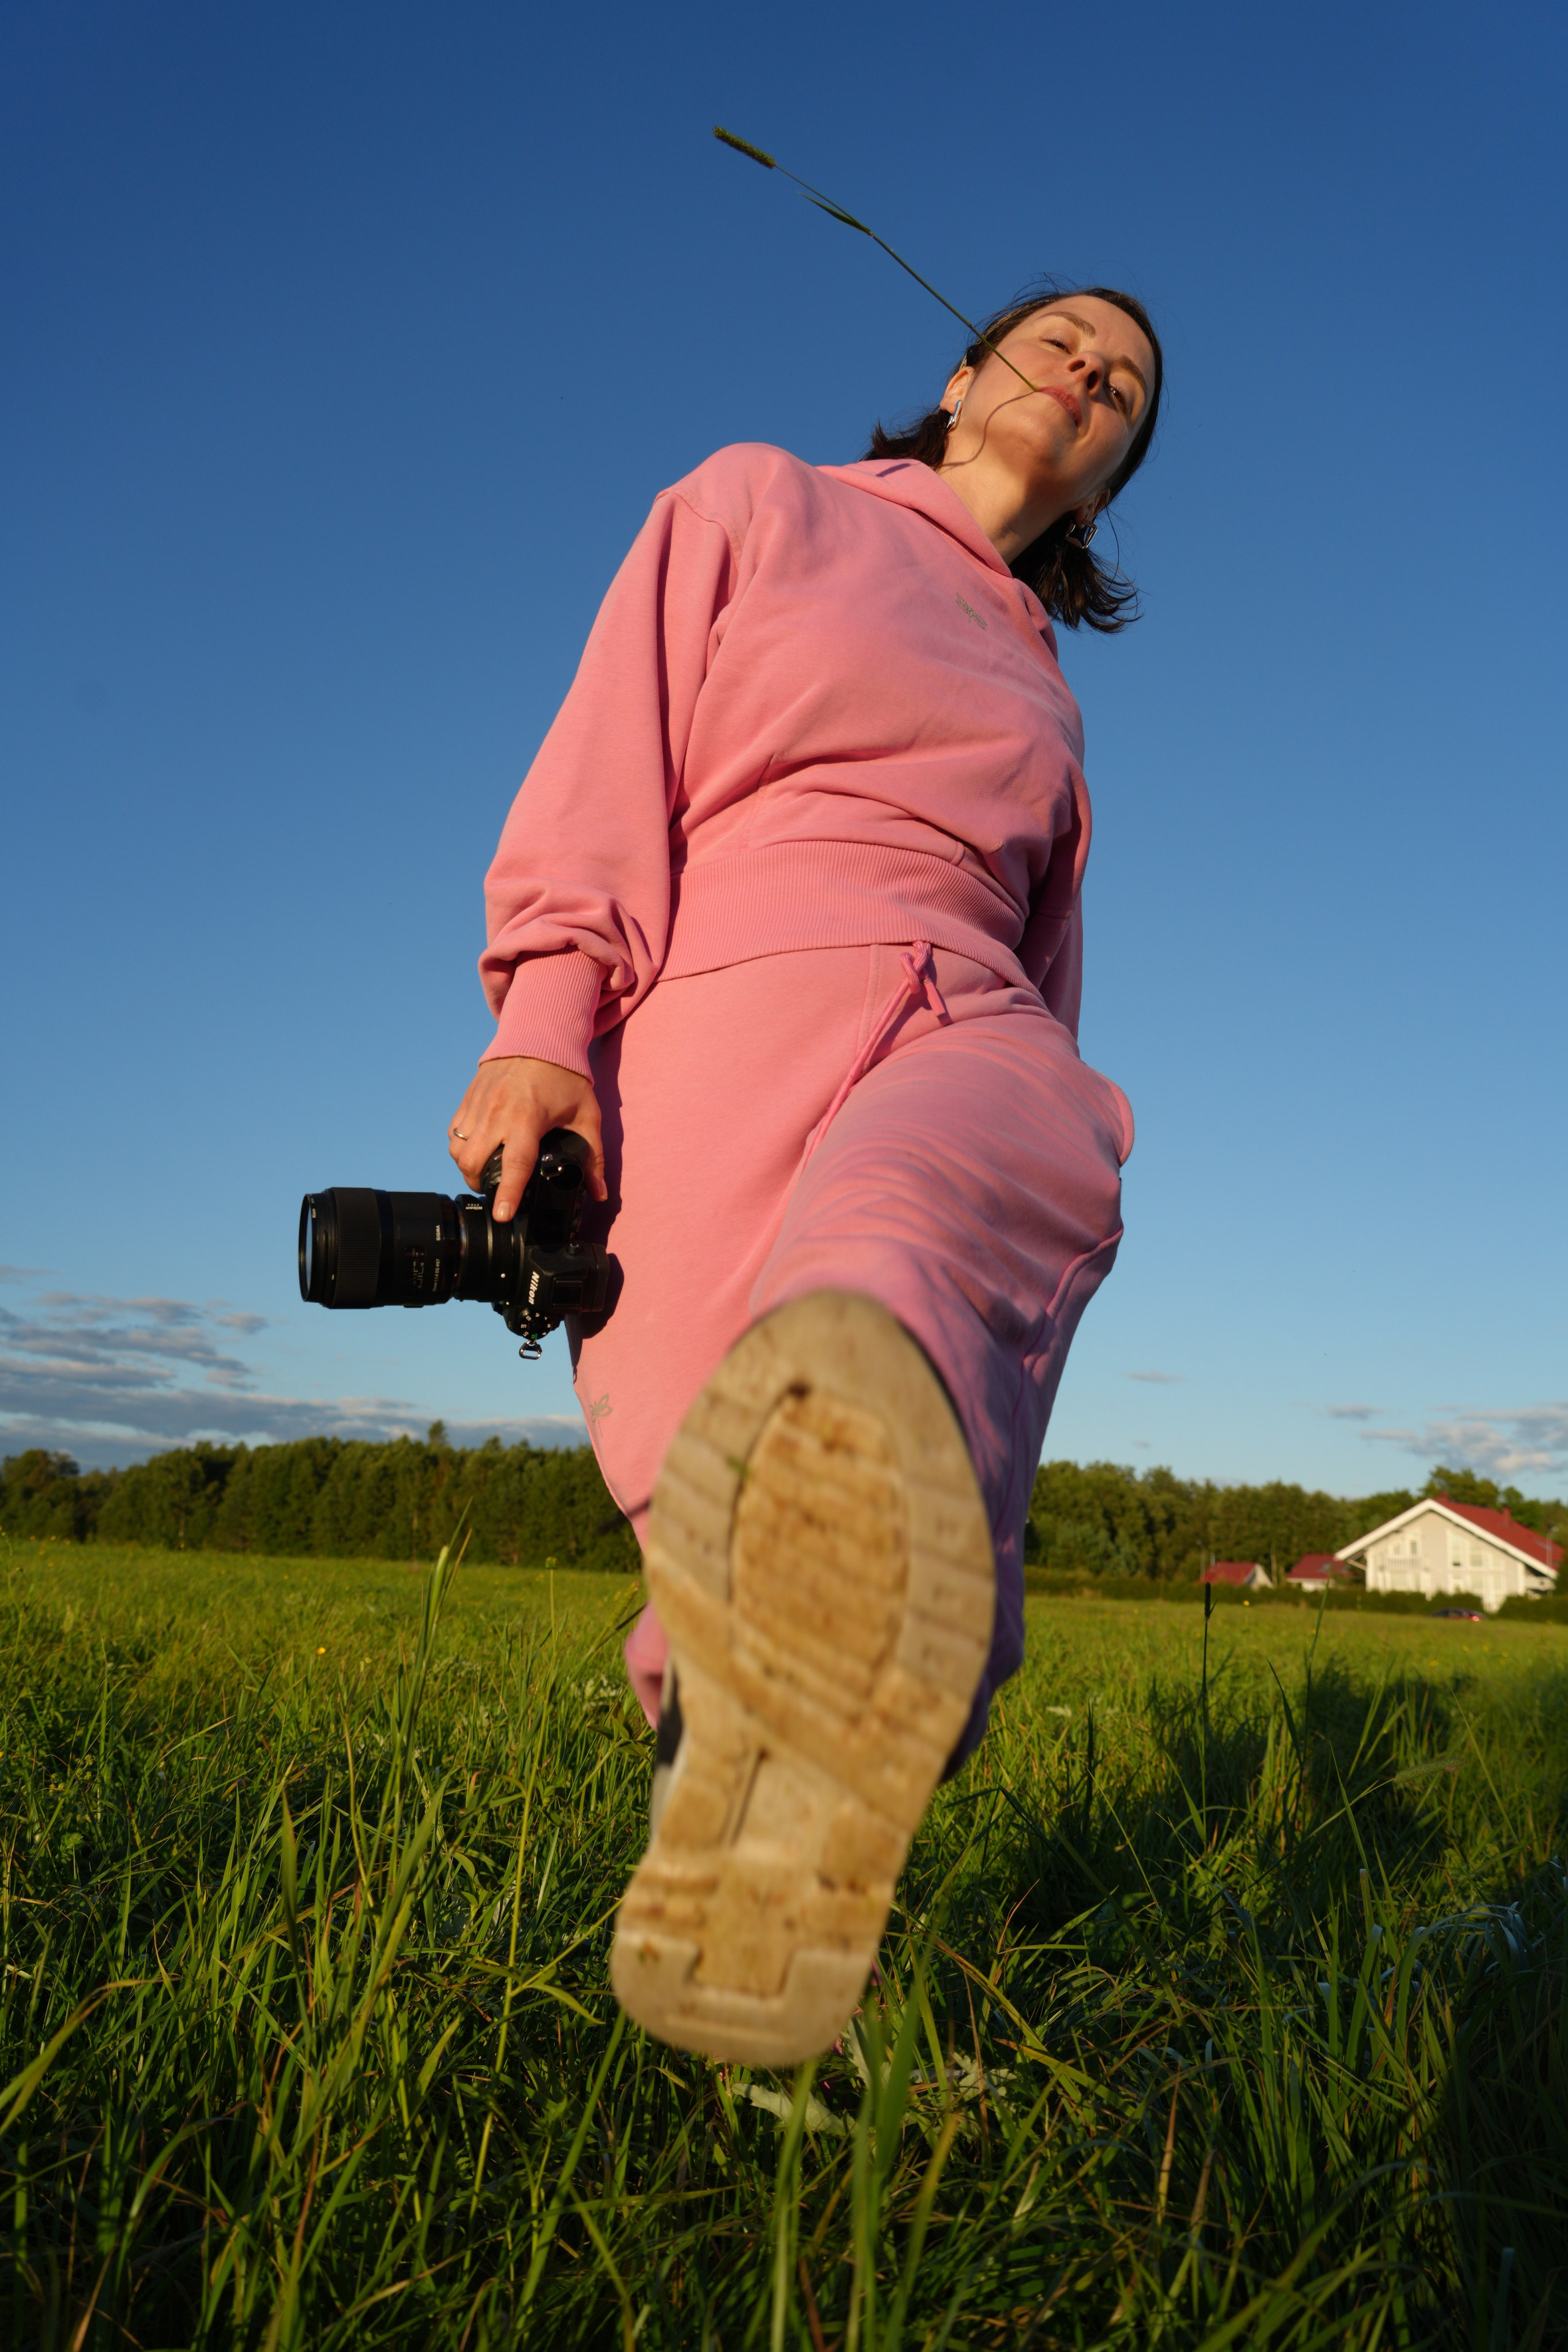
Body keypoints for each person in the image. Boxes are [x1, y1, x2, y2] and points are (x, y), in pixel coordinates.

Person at [447, 285, 1163, 2064]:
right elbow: (614, 767)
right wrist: (547, 1021)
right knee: (722, 1545)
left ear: (1107, 484)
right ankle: (761, 2013)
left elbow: (1050, 964)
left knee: (898, 1282)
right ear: (958, 373)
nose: (1087, 373)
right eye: (1062, 339)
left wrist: (1049, 1111)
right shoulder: (760, 503)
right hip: (727, 1020)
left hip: (975, 1035)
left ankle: (874, 1426)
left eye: (1126, 390)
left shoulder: (1051, 703)